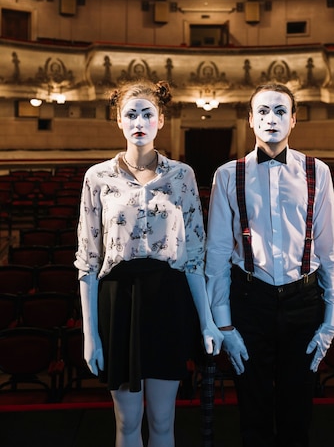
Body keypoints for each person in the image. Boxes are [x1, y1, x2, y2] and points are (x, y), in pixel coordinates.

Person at [74, 78, 223, 447]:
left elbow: (194, 259)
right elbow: (88, 262)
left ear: (160, 120)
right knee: (126, 423)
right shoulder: (97, 177)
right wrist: (90, 335)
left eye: (147, 114)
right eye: (131, 114)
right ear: (119, 121)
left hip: (167, 299)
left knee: (162, 420)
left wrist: (207, 322)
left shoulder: (182, 176)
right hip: (118, 299)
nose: (139, 121)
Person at [205, 82, 334, 447]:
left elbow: (329, 251)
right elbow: (217, 255)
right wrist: (224, 324)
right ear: (250, 120)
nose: (271, 118)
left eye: (280, 111)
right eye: (263, 111)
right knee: (252, 412)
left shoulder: (318, 172)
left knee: (297, 411)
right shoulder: (226, 174)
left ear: (294, 120)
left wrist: (332, 318)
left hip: (304, 302)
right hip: (249, 302)